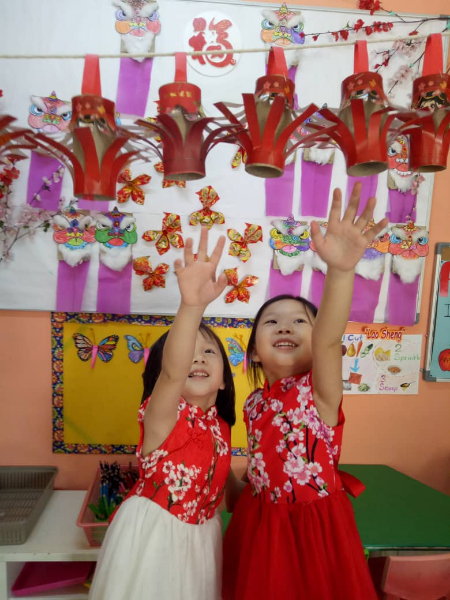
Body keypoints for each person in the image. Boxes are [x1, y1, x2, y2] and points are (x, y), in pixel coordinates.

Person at [223, 183, 386, 600]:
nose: (285, 326)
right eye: (271, 321)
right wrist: (223, 474)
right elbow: (256, 472)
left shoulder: (317, 391)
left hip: (314, 528)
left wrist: (341, 270)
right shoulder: (253, 402)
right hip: (262, 525)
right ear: (254, 353)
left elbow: (330, 338)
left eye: (300, 321)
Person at [89, 227, 236, 600]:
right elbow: (173, 373)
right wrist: (192, 307)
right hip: (155, 539)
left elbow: (226, 485)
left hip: (202, 542)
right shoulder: (163, 416)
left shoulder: (221, 426)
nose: (197, 359)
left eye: (209, 352)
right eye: (189, 353)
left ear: (223, 379)